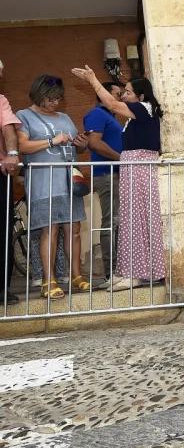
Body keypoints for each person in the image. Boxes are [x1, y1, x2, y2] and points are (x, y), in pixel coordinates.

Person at [72, 66, 166, 290]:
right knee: (131, 221)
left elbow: (112, 104)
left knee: (139, 220)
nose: (123, 96)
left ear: (140, 96)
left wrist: (94, 81)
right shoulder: (136, 116)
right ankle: (129, 270)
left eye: (128, 92)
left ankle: (140, 272)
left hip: (139, 168)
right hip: (133, 168)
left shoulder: (144, 108)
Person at [16, 74, 91, 299]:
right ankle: (49, 281)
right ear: (38, 95)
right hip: (43, 182)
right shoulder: (24, 116)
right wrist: (51, 141)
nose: (55, 102)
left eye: (59, 98)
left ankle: (76, 276)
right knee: (51, 229)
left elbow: (77, 148)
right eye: (50, 98)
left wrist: (81, 144)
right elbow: (22, 146)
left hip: (69, 181)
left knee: (74, 230)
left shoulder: (65, 117)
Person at [83, 82, 123, 288]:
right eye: (117, 94)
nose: (120, 97)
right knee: (111, 221)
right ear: (104, 94)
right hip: (107, 174)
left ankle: (118, 270)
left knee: (117, 221)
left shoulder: (111, 116)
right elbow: (94, 143)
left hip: (115, 173)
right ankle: (111, 272)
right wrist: (121, 159)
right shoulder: (97, 114)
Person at [0, 60, 21, 305]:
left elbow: (8, 128)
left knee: (4, 233)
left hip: (0, 172)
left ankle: (1, 289)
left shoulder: (1, 100)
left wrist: (12, 154)